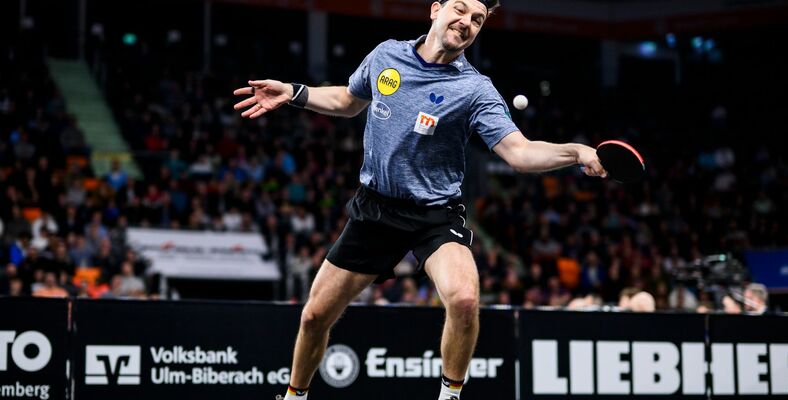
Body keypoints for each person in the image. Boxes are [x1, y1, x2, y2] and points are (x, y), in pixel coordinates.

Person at [233, 1, 606, 399]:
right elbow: (348, 100)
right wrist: (293, 92)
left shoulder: (475, 89)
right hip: (376, 208)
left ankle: (450, 396)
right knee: (313, 316)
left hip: (434, 213)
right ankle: (295, 396)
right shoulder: (386, 54)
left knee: (464, 299)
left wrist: (577, 152)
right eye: (460, 10)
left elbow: (520, 153)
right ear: (435, 10)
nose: (466, 23)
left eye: (477, 20)